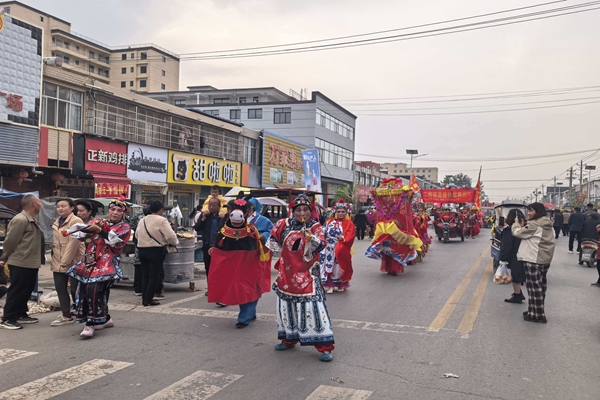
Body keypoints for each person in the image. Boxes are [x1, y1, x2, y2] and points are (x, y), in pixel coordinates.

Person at [267, 194, 335, 362]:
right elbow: (273, 240)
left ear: (311, 211)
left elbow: (321, 244)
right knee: (286, 308)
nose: (302, 213)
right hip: (287, 274)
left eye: (305, 209)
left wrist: (310, 238)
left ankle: (324, 347)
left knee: (313, 309)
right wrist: (281, 254)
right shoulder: (283, 224)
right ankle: (288, 339)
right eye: (298, 210)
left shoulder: (315, 226)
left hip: (308, 274)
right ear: (293, 211)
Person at [67, 198, 131, 338]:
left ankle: (90, 323)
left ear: (123, 213)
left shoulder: (124, 227)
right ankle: (105, 318)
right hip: (89, 261)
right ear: (109, 210)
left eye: (119, 210)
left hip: (106, 263)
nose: (115, 213)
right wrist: (78, 231)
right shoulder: (96, 221)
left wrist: (100, 231)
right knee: (83, 290)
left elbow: (117, 243)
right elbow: (84, 237)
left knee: (94, 290)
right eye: (113, 209)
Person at [207, 198, 271, 328]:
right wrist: (215, 248)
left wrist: (262, 237)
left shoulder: (254, 227)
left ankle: (244, 317)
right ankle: (249, 313)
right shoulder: (225, 225)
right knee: (240, 288)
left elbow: (269, 236)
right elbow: (219, 238)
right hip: (233, 264)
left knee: (249, 288)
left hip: (250, 264)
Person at [0, 195, 45, 330]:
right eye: (39, 202)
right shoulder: (20, 219)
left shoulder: (32, 219)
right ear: (33, 204)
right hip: (20, 261)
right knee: (17, 289)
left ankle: (20, 313)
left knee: (27, 289)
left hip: (31, 261)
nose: (41, 205)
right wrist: (4, 258)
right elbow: (10, 241)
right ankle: (8, 318)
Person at [511, 202, 555, 323]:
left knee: (534, 288)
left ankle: (537, 315)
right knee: (540, 287)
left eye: (531, 211)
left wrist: (516, 224)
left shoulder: (535, 225)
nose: (528, 213)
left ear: (538, 212)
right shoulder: (547, 223)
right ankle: (534, 311)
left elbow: (517, 233)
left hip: (534, 258)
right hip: (544, 258)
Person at [135, 200, 178, 307]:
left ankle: (144, 299)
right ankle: (148, 299)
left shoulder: (142, 220)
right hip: (155, 251)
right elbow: (171, 235)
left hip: (142, 250)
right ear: (161, 210)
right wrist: (175, 243)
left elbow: (136, 235)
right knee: (154, 276)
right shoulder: (161, 220)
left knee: (145, 275)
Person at [50, 199, 85, 327]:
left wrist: (65, 261)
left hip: (74, 261)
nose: (60, 208)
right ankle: (66, 315)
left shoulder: (76, 221)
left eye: (63, 206)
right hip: (58, 261)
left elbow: (73, 243)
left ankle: (82, 312)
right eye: (58, 206)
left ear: (71, 208)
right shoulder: (57, 222)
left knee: (76, 290)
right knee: (60, 288)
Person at [320, 199, 355, 293]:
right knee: (328, 265)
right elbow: (322, 231)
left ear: (346, 212)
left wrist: (343, 238)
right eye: (338, 211)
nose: (340, 214)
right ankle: (330, 285)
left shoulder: (349, 223)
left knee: (338, 266)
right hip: (328, 247)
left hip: (339, 247)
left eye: (343, 212)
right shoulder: (329, 221)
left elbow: (351, 235)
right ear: (335, 212)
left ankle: (340, 284)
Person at [194, 197, 224, 296]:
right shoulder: (205, 216)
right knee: (208, 267)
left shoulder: (222, 217)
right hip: (207, 245)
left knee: (219, 269)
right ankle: (210, 288)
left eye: (214, 205)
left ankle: (219, 288)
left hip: (219, 247)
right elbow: (197, 228)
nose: (211, 207)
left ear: (219, 206)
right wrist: (202, 219)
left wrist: (223, 218)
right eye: (210, 205)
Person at [500, 209, 526, 304]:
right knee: (518, 275)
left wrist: (503, 258)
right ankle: (518, 293)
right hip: (525, 254)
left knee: (515, 276)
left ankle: (517, 295)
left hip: (514, 256)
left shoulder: (509, 230)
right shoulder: (525, 229)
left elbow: (506, 245)